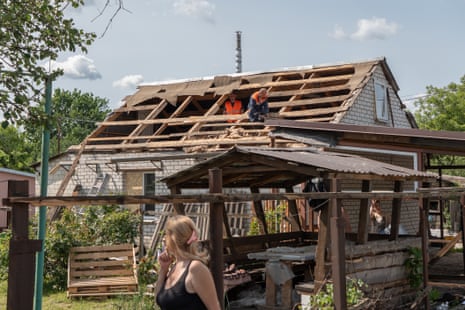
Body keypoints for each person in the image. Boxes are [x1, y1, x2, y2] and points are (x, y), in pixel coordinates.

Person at [155, 215, 221, 310]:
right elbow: (159, 299)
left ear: (172, 239)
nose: (164, 239)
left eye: (166, 235)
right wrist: (163, 269)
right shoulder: (175, 267)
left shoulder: (196, 268)